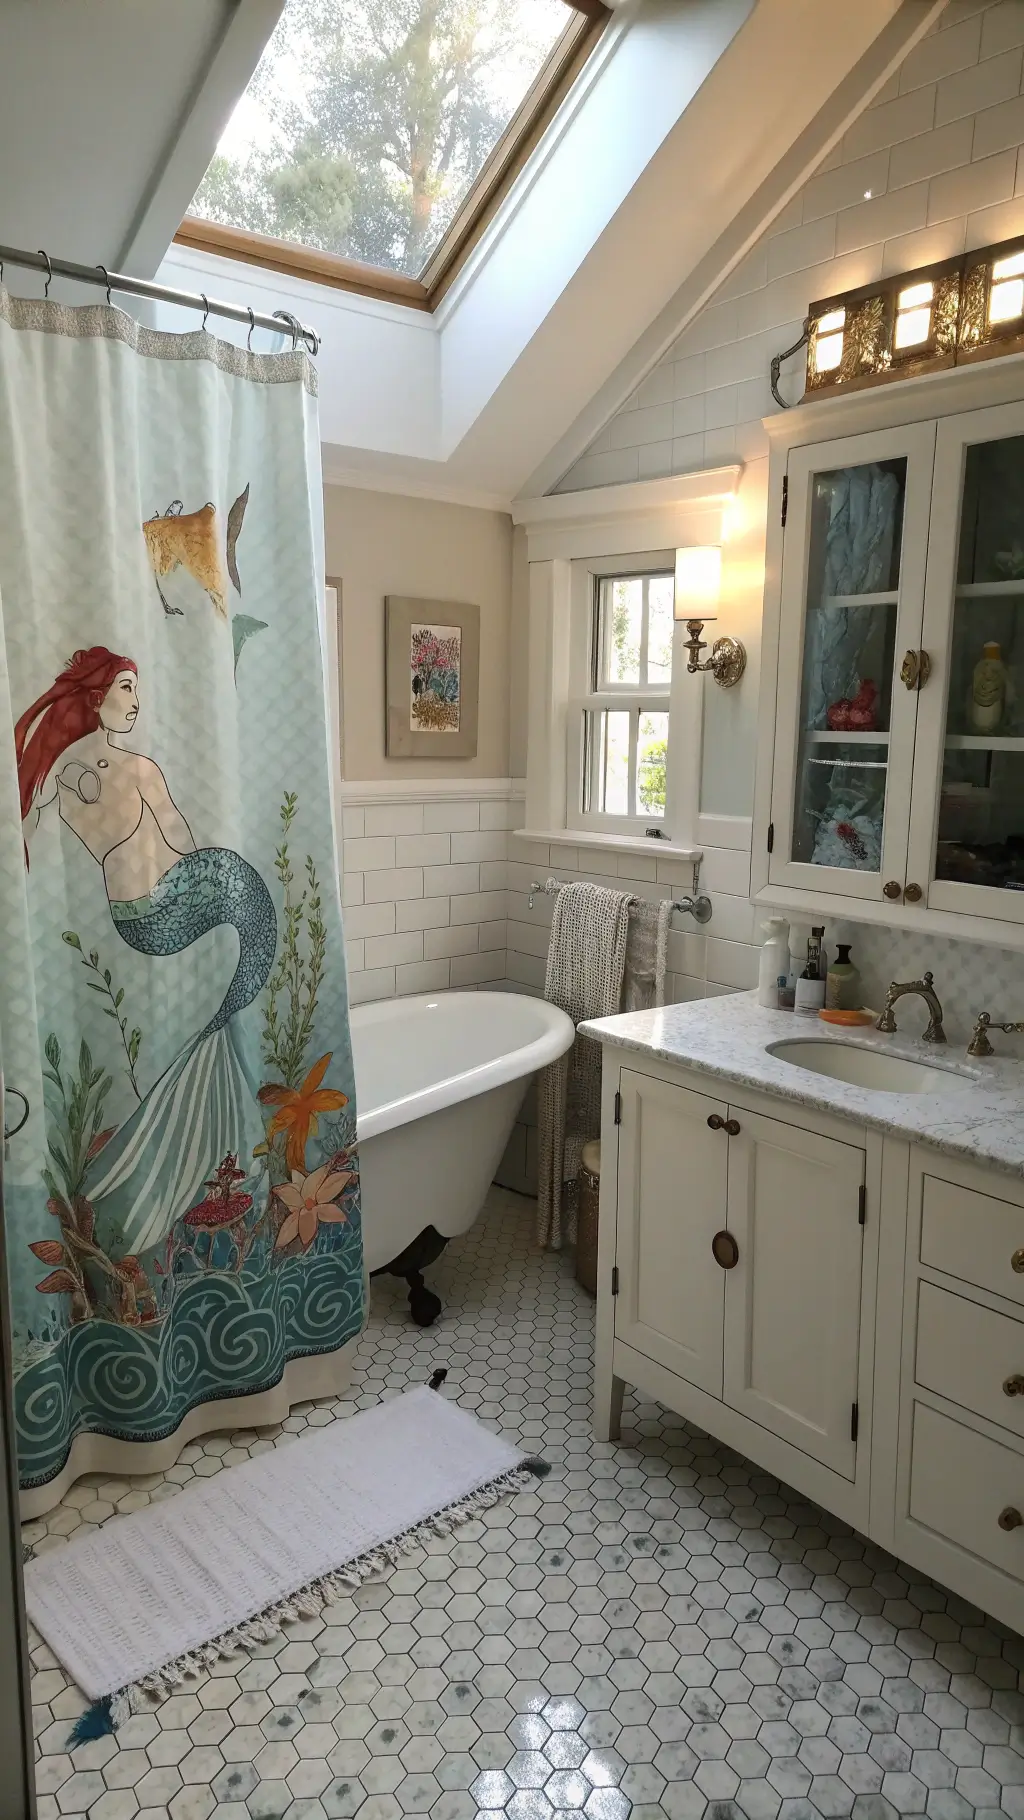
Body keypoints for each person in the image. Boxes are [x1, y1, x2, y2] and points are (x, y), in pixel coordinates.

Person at [16, 647, 277, 1253]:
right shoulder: (137, 769)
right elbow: (181, 837)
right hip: (167, 905)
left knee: (236, 893)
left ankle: (220, 1019)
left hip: (130, 917)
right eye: (127, 689)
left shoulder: (60, 775)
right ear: (96, 698)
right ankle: (223, 1022)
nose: (136, 703)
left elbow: (32, 835)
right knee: (240, 884)